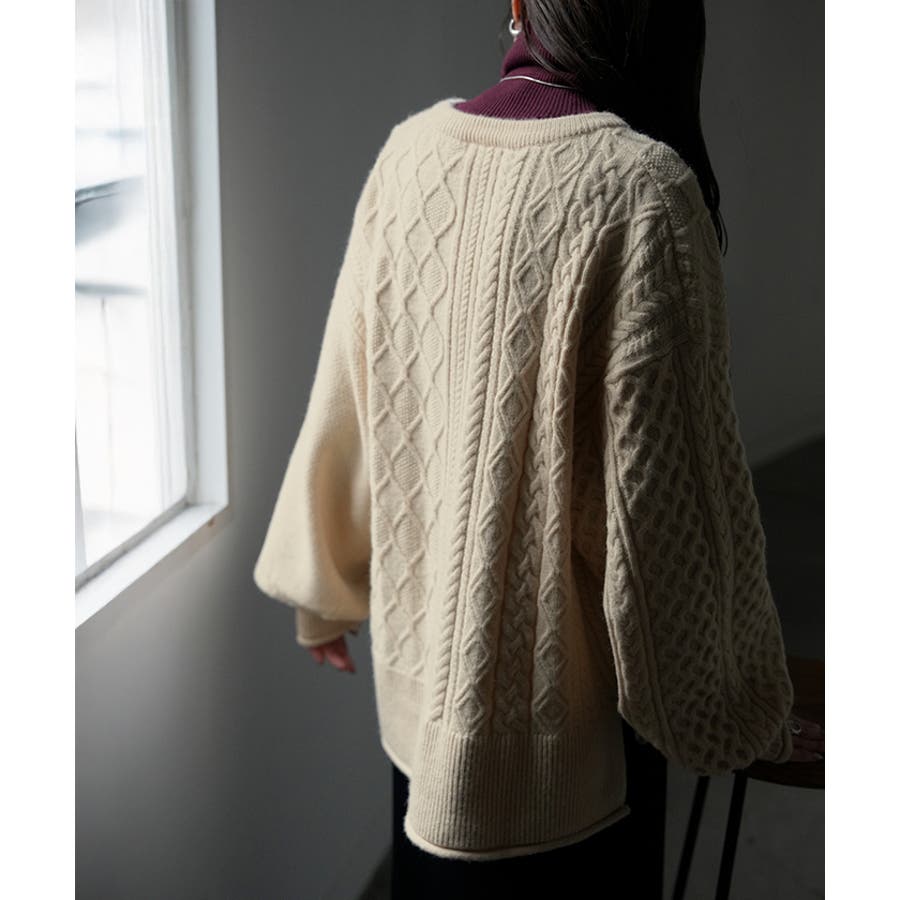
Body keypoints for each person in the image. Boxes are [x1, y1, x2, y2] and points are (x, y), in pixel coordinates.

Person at [254, 1, 825, 895]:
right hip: (569, 770)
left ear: (520, 6)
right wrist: (739, 709)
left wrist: (321, 587)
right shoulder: (644, 191)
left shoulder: (410, 155)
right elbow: (668, 525)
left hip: (421, 719)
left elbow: (351, 397)